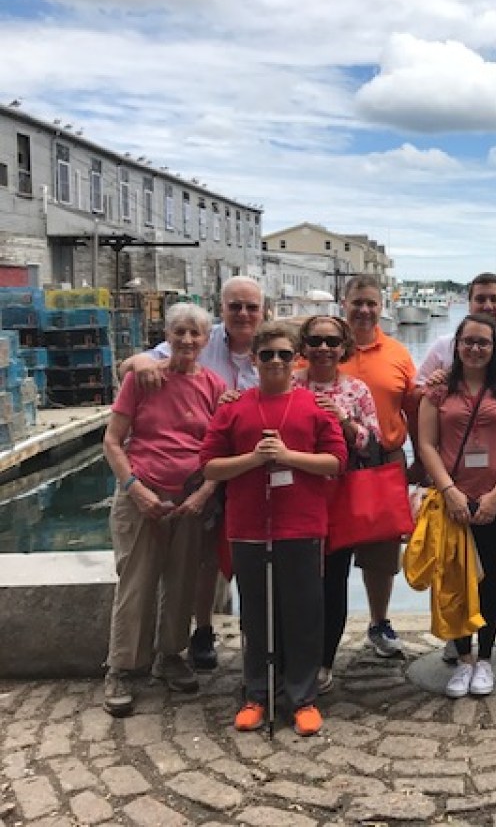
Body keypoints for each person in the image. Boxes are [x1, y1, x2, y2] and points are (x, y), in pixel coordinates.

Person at [200, 322, 347, 736]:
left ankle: (302, 697)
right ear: (255, 360)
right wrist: (252, 459)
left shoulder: (315, 407)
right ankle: (257, 693)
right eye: (268, 355)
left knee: (304, 613)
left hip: (301, 525)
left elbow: (336, 462)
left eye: (285, 354)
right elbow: (209, 464)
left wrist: (288, 456)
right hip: (248, 526)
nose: (277, 362)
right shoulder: (232, 409)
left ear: (295, 357)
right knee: (256, 613)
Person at [120, 276, 265, 671]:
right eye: (235, 306)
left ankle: (258, 638)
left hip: (251, 470)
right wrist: (141, 361)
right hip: (200, 472)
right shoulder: (199, 336)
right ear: (222, 308)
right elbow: (140, 363)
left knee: (248, 554)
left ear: (263, 311)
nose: (243, 314)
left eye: (251, 307)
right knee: (203, 559)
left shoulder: (268, 347)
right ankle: (201, 631)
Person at [100, 303, 225, 716]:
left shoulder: (214, 385)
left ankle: (171, 655)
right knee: (136, 582)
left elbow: (222, 450)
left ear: (207, 340)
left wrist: (204, 493)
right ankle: (122, 667)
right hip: (143, 493)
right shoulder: (143, 379)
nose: (188, 340)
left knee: (183, 581)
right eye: (180, 332)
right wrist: (133, 487)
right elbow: (113, 441)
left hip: (188, 498)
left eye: (196, 333)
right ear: (166, 336)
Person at [418, 273, 496, 664]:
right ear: (456, 345)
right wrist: (449, 490)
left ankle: (489, 650)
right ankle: (458, 642)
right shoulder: (439, 385)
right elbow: (425, 441)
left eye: (482, 343)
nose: (475, 348)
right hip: (453, 491)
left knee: (495, 572)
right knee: (453, 572)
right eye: (468, 342)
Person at [293, 314, 383, 695]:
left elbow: (373, 444)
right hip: (294, 495)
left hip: (340, 497)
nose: (324, 349)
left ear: (343, 347)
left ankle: (325, 660)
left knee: (333, 580)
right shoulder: (289, 382)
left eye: (332, 342)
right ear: (304, 347)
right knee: (296, 581)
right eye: (316, 341)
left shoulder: (357, 391)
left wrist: (345, 420)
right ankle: (294, 656)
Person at [338, 275, 419, 659]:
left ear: (381, 306)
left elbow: (415, 410)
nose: (365, 310)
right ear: (344, 303)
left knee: (383, 553)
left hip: (384, 461)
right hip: (331, 466)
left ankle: (378, 622)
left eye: (372, 303)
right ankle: (326, 626)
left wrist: (420, 462)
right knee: (328, 551)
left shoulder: (398, 354)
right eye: (358, 302)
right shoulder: (321, 349)